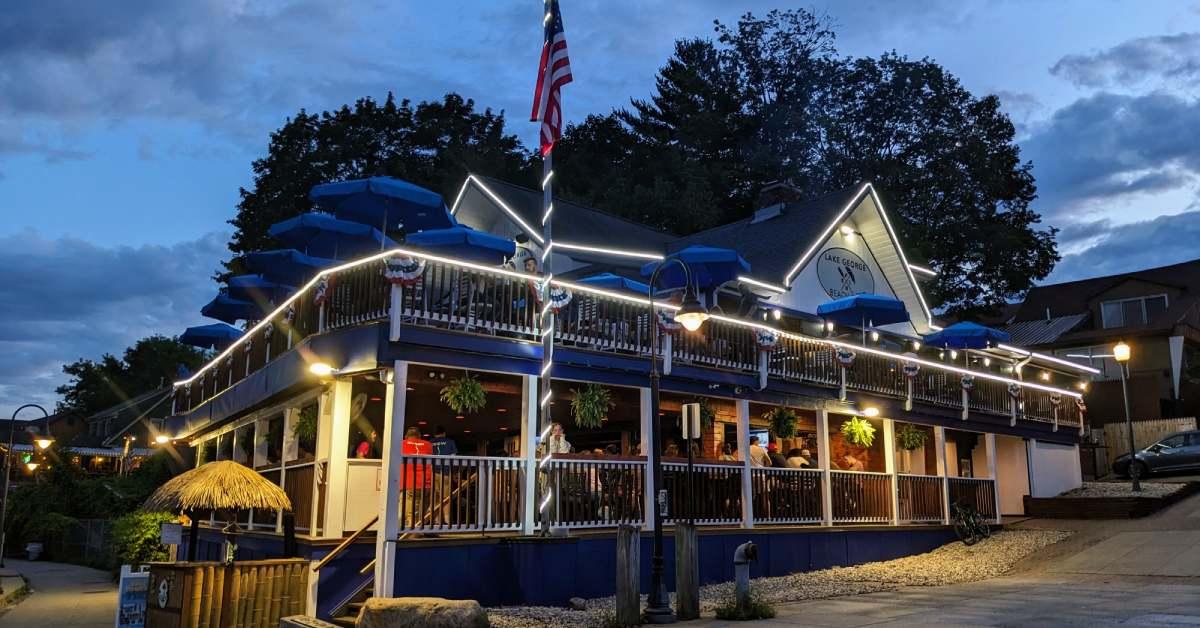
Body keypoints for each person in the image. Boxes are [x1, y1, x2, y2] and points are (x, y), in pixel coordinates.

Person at [401, 427, 432, 528]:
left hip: (409, 482)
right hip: (426, 482)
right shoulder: (428, 445)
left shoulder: (401, 443)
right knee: (422, 512)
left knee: (410, 513)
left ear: (406, 436)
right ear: (419, 436)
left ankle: (412, 534)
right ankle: (420, 530)